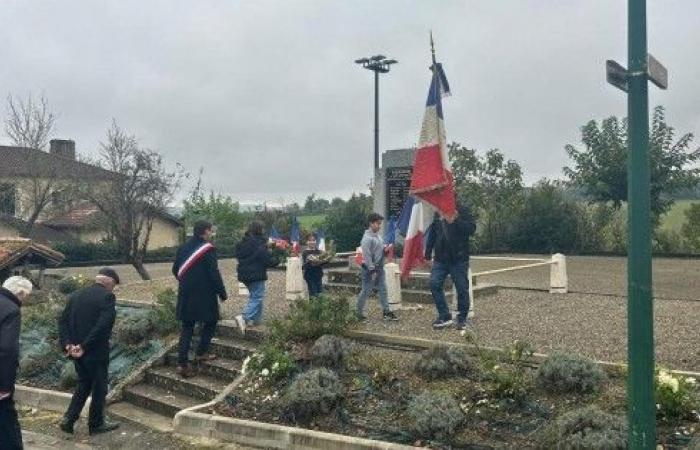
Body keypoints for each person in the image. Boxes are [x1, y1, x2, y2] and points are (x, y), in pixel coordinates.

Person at [58, 268, 121, 436]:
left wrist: (68, 345)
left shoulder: (76, 295)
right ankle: (96, 423)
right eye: (113, 285)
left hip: (75, 351)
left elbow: (62, 322)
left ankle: (69, 419)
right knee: (99, 387)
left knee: (84, 384)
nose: (113, 289)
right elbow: (103, 325)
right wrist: (84, 346)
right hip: (94, 351)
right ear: (109, 283)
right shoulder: (107, 297)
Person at [172, 220, 227, 378]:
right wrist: (222, 293)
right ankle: (201, 352)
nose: (211, 233)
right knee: (211, 320)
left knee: (187, 327)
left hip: (186, 293)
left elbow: (175, 269)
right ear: (205, 231)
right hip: (204, 295)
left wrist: (187, 281)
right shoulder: (208, 249)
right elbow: (213, 273)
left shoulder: (183, 248)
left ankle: (182, 364)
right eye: (210, 230)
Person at [425, 204, 477, 330]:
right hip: (440, 259)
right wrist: (427, 254)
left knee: (462, 288)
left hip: (458, 259)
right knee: (434, 284)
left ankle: (462, 319)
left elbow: (471, 229)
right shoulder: (438, 211)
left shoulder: (463, 209)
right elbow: (433, 232)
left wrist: (456, 220)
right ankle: (444, 316)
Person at [0, 276, 33, 450]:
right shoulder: (11, 309)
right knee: (7, 428)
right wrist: (4, 386)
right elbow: (6, 350)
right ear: (20, 292)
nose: (25, 301)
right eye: (26, 296)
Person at [235, 221, 277, 333]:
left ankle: (254, 320)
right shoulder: (259, 243)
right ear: (259, 230)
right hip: (256, 274)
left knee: (256, 296)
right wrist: (276, 257)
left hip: (244, 274)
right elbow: (267, 260)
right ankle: (244, 317)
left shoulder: (242, 243)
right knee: (257, 297)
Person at [356, 213, 399, 322]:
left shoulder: (378, 237)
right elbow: (367, 256)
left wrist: (385, 249)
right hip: (369, 269)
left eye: (380, 224)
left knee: (383, 289)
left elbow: (378, 250)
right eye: (377, 223)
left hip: (379, 267)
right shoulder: (366, 239)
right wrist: (372, 270)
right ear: (371, 223)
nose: (379, 226)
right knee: (366, 290)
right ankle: (357, 313)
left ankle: (386, 312)